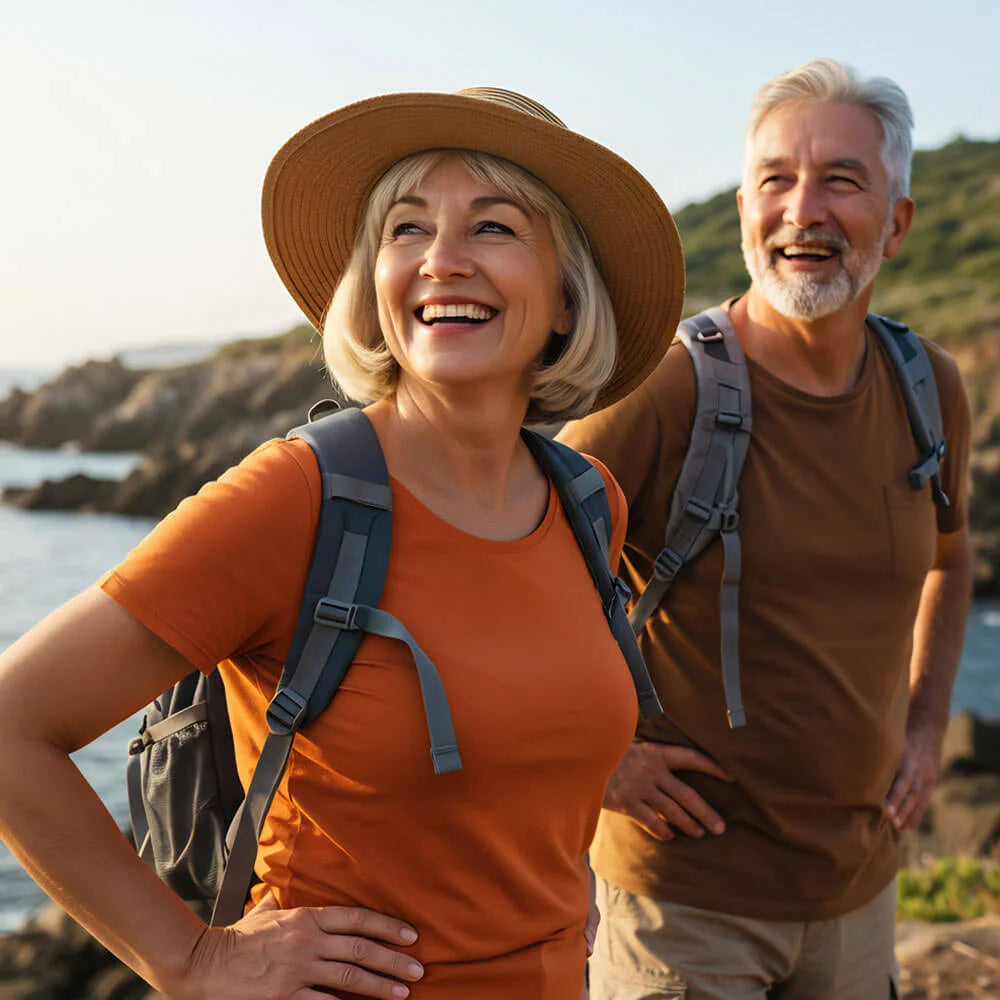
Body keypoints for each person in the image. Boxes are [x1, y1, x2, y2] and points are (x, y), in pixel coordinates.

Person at [0, 89, 685, 1000]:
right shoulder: (295, 497)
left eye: (493, 228)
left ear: (566, 297)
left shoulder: (587, 501)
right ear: (375, 283)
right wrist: (193, 959)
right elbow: (12, 728)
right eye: (407, 229)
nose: (442, 261)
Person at [560, 59, 974, 1000]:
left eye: (841, 179)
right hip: (684, 912)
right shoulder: (668, 390)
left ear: (897, 222)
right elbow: (500, 570)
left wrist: (923, 723)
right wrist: (602, 761)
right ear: (745, 208)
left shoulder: (928, 388)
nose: (803, 210)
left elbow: (952, 561)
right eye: (776, 180)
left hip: (859, 898)